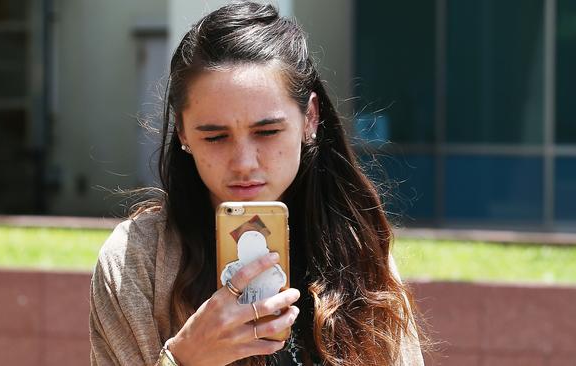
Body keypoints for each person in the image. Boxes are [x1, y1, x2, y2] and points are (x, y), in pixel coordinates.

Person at [89, 2, 424, 365]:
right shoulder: (134, 261)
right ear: (183, 132)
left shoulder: (356, 245)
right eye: (215, 137)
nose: (244, 163)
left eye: (266, 132)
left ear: (309, 118)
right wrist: (185, 358)